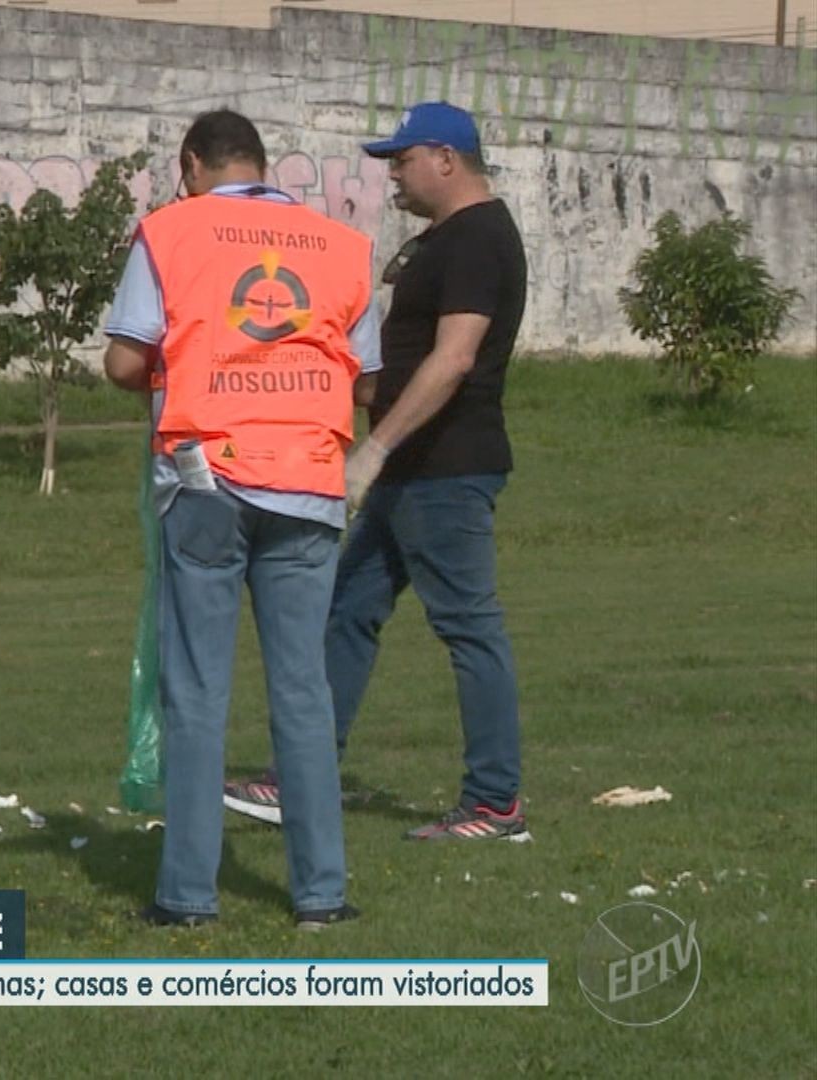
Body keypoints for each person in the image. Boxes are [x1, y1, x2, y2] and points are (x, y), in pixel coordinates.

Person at [222, 102, 531, 842]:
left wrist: (377, 447)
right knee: (345, 611)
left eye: (402, 159)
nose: (391, 173)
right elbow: (394, 364)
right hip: (410, 472)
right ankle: (299, 778)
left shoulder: (481, 238)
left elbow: (454, 359)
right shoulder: (442, 240)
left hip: (445, 471)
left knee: (467, 627)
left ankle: (495, 805)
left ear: (447, 159)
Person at [103, 110, 379, 929]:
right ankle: (322, 895)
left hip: (206, 483)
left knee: (196, 694)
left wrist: (182, 363)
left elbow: (124, 359)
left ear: (192, 164)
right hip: (309, 484)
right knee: (304, 692)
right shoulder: (341, 246)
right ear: (261, 164)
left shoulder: (170, 233)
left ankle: (188, 897)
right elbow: (365, 382)